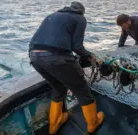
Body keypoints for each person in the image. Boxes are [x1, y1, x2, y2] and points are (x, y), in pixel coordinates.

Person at [28, 2, 104, 134]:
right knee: (81, 89)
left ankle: (54, 125)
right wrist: (91, 57)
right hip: (57, 57)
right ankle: (93, 124)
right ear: (81, 11)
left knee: (58, 87)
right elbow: (77, 47)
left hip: (34, 56)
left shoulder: (52, 15)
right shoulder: (80, 18)